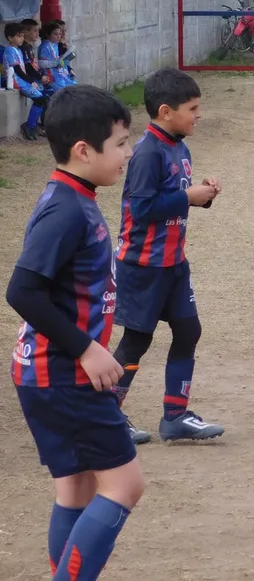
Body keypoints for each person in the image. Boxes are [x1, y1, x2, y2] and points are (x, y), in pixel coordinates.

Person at [5, 84, 145, 580]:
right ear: (84, 151)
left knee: (77, 489)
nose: (129, 153)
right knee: (125, 486)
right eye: (122, 143)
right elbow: (21, 291)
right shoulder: (64, 208)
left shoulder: (75, 194)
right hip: (62, 374)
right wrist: (87, 350)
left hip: (45, 374)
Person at [109, 68, 224, 445]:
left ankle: (175, 416)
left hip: (174, 263)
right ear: (165, 111)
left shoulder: (179, 146)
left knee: (189, 331)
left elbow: (175, 198)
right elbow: (142, 209)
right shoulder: (147, 152)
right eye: (192, 108)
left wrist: (200, 196)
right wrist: (186, 197)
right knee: (136, 341)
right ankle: (108, 416)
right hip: (143, 265)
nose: (198, 114)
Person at [4, 22, 47, 141]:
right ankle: (29, 126)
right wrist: (30, 81)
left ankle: (31, 126)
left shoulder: (17, 50)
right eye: (19, 36)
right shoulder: (10, 50)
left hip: (22, 80)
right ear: (10, 38)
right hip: (16, 81)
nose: (22, 38)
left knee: (42, 98)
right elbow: (17, 70)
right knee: (41, 99)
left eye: (22, 36)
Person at [40, 22, 76, 90]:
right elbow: (41, 63)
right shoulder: (45, 46)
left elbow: (57, 59)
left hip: (59, 74)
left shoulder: (55, 45)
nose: (59, 36)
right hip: (51, 76)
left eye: (60, 34)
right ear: (48, 35)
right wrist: (56, 63)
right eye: (55, 34)